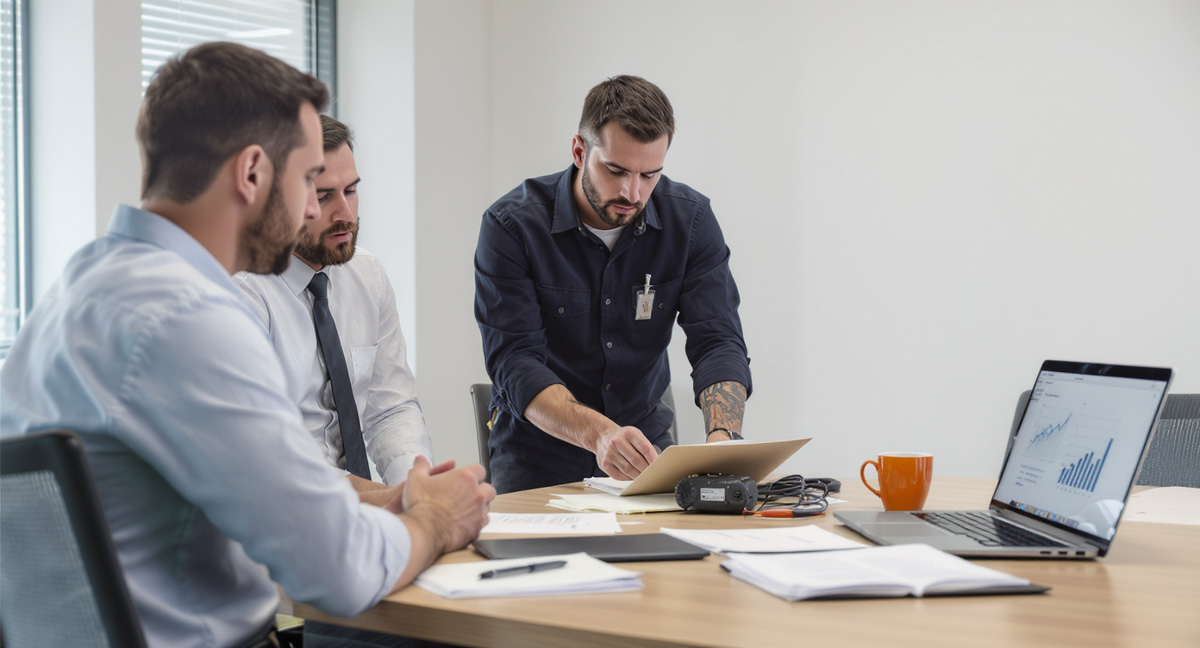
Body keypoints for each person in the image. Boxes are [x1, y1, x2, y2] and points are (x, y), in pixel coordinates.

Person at [0, 42, 493, 648]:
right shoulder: (188, 319)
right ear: (253, 173)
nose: (316, 206)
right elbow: (340, 568)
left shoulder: (74, 294)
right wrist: (436, 518)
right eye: (310, 180)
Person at [474, 75, 753, 494]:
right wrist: (600, 434)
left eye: (649, 175)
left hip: (648, 457)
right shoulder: (512, 227)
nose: (631, 191)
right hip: (537, 459)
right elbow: (515, 362)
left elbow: (718, 341)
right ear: (579, 150)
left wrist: (721, 442)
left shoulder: (690, 223)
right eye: (616, 170)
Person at [238, 115, 431, 501]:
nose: (345, 213)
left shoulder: (367, 275)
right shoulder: (240, 294)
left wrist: (418, 486)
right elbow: (270, 458)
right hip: (281, 517)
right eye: (324, 196)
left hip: (359, 514)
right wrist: (387, 500)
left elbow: (389, 409)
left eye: (352, 190)